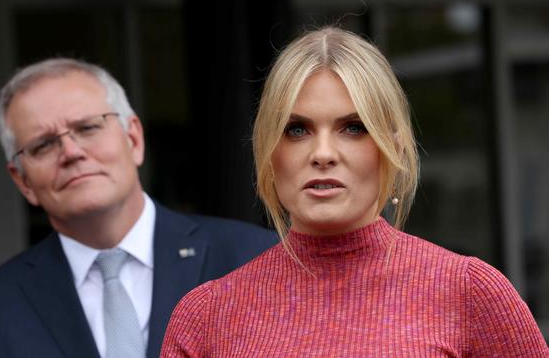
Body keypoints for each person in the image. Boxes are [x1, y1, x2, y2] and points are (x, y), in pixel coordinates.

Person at [161, 26, 549, 357]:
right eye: (297, 129)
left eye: (353, 127)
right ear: (268, 152)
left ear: (392, 148)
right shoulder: (206, 317)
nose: (323, 154)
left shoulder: (469, 291)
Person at [0, 58, 276, 358]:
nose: (71, 152)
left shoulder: (256, 260)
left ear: (133, 140)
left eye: (87, 127)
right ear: (23, 181)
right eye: (43, 145)